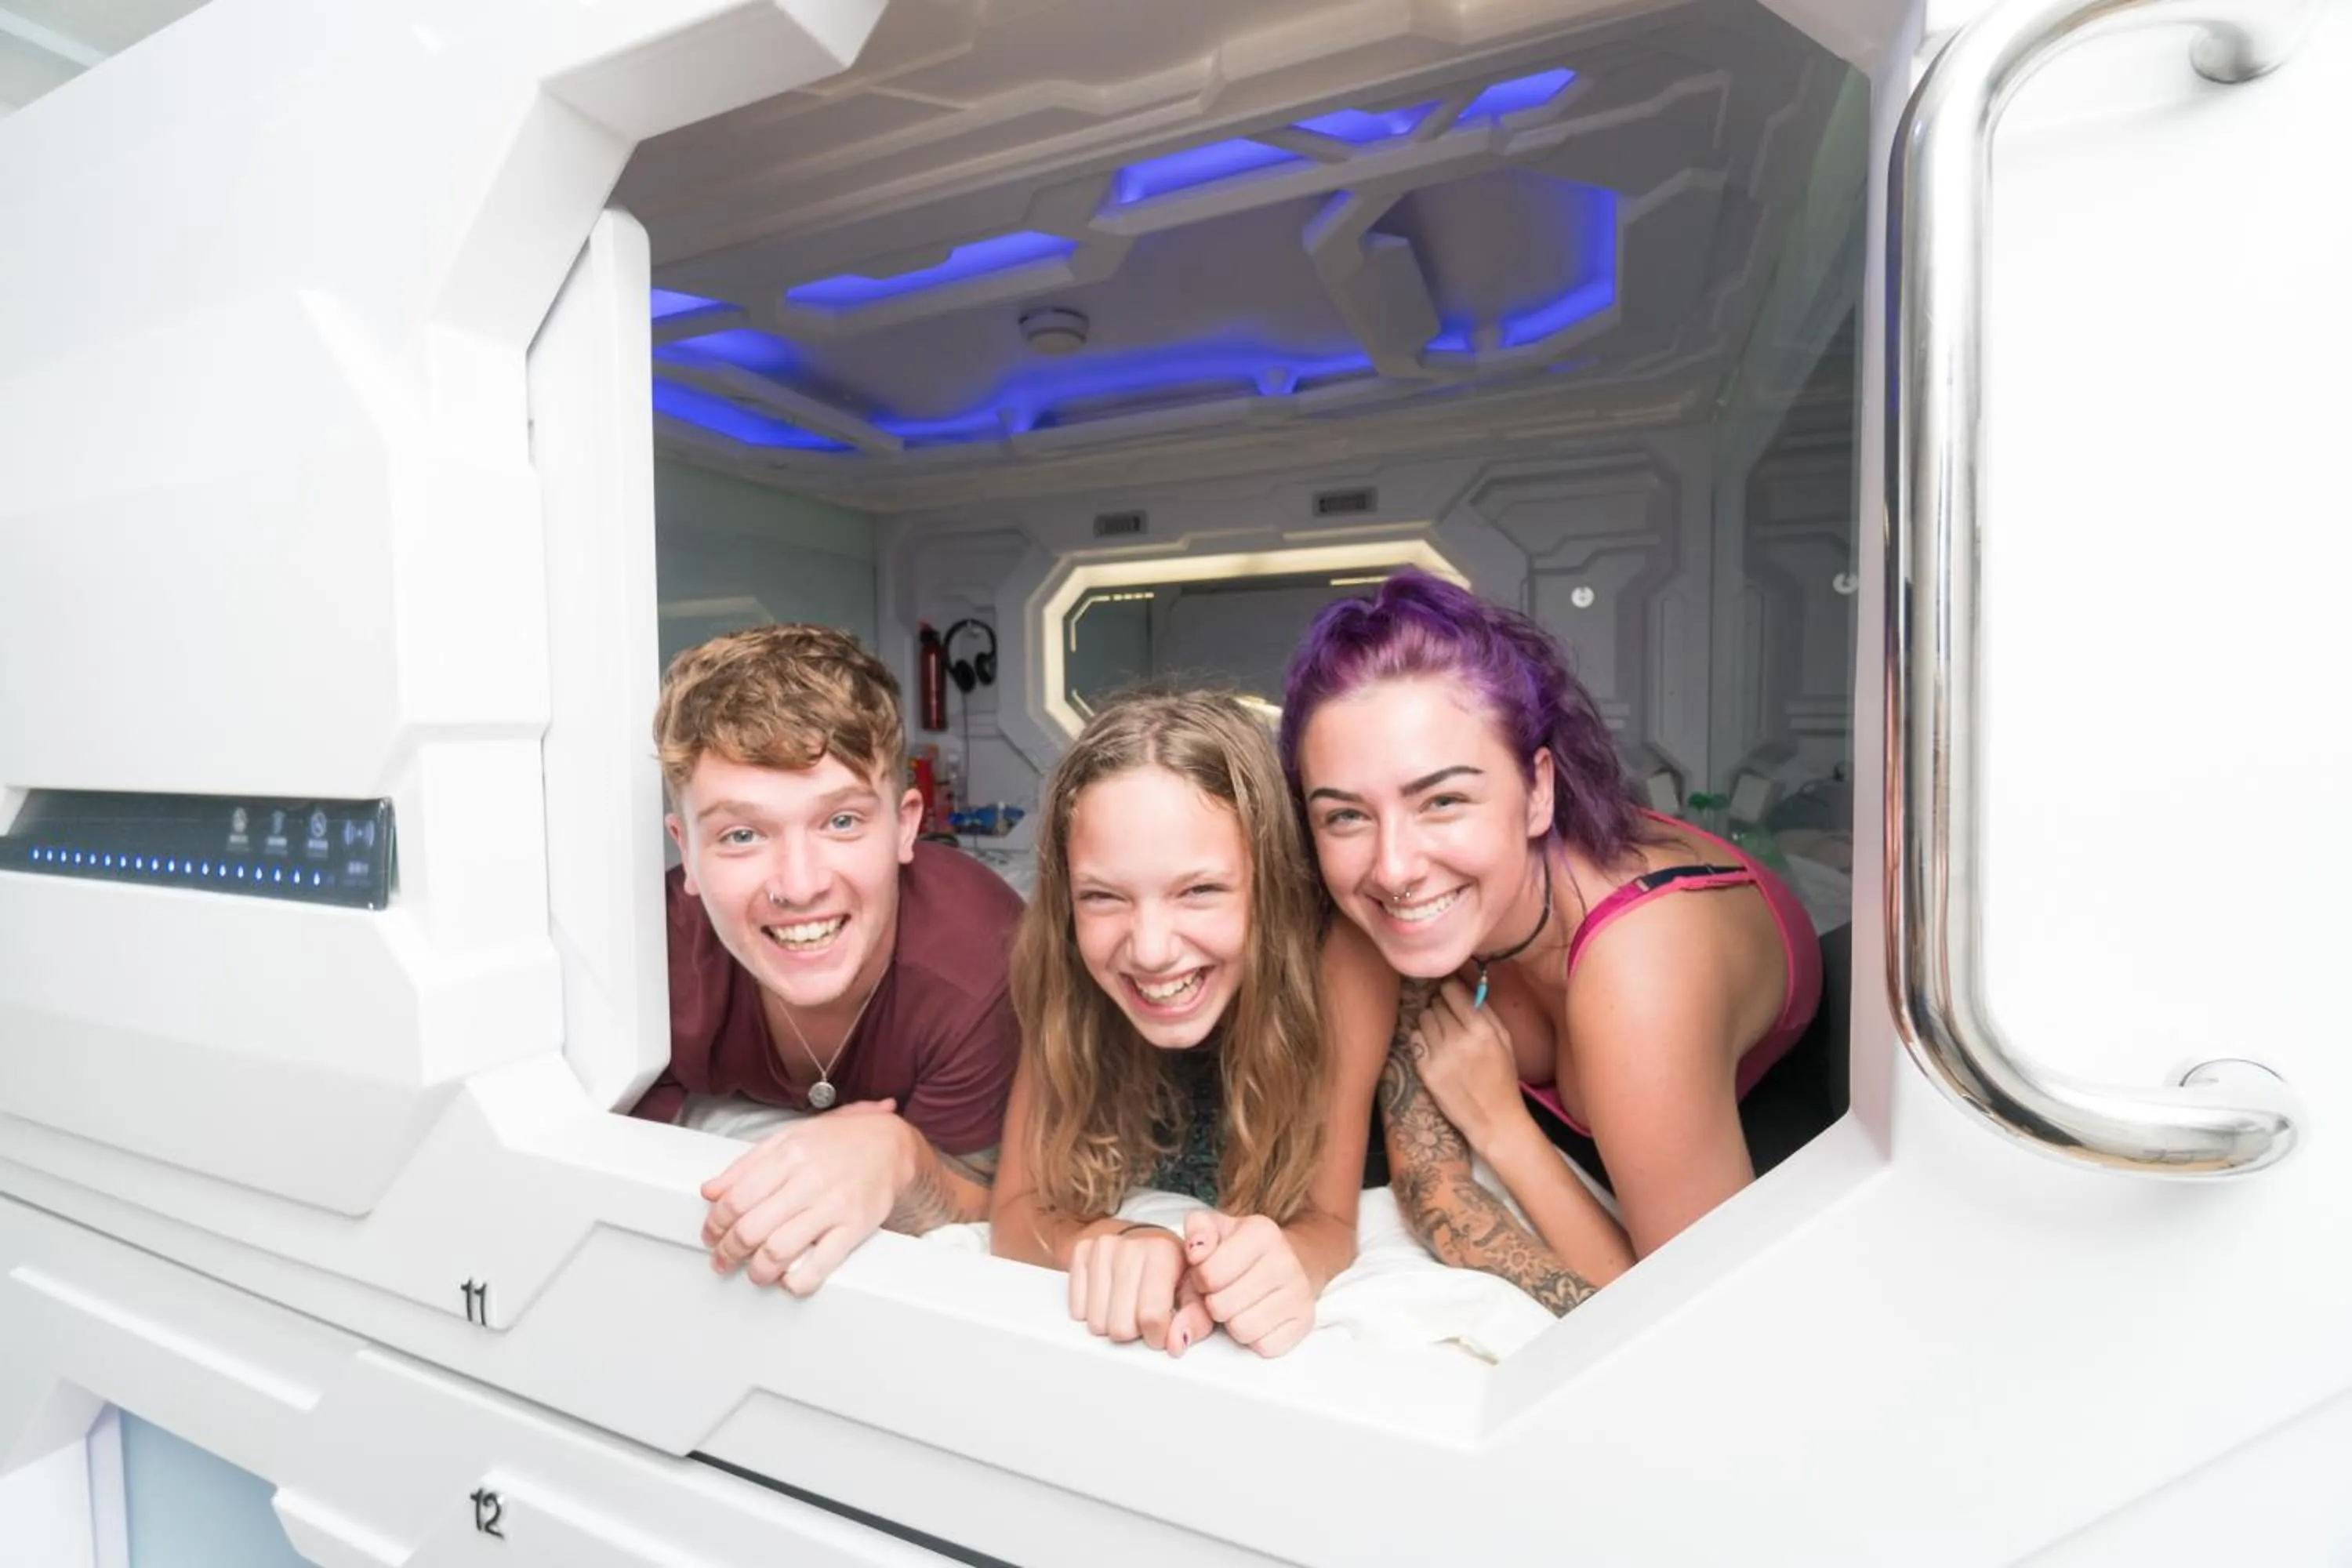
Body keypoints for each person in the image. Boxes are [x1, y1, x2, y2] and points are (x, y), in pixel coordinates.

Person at [1279, 571, 1823, 1308]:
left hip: (1779, 1101)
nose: (1394, 867)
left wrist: (1502, 1126)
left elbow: (1700, 1319)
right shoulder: (1371, 912)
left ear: (1538, 790)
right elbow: (1331, 1210)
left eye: (1442, 801)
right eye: (1345, 816)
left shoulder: (1641, 967)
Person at [989, 690, 1393, 1358]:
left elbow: (1327, 1220)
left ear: (1272, 883)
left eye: (1199, 890)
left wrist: (1283, 1260)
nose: (1150, 949)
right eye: (1103, 897)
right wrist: (1116, 1243)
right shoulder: (1058, 960)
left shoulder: (1343, 961)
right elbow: (1014, 1213)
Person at [633, 624, 1025, 1296]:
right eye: (743, 834)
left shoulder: (980, 961)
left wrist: (901, 1155)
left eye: (841, 821)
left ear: (905, 825)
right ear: (685, 848)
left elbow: (984, 1199)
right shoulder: (650, 957)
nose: (800, 883)